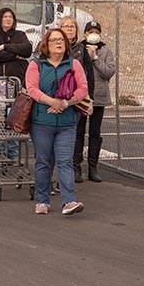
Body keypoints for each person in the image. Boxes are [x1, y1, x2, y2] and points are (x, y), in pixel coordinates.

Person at [26, 28, 89, 216]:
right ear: (46, 45)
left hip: (67, 123)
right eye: (54, 40)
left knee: (65, 161)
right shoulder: (36, 65)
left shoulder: (74, 64)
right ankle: (42, 200)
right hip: (41, 122)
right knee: (44, 161)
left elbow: (83, 89)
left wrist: (65, 103)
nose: (58, 43)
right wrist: (51, 101)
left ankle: (69, 201)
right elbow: (32, 89)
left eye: (61, 39)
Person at [0, 7, 33, 161]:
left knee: (14, 121)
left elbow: (27, 50)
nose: (8, 19)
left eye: (10, 17)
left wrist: (5, 47)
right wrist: (14, 55)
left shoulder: (20, 35)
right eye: (5, 16)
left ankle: (13, 157)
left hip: (16, 89)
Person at [75, 20, 115, 182]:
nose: (93, 35)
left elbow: (108, 72)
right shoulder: (79, 48)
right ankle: (76, 165)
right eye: (90, 31)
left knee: (95, 132)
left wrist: (96, 59)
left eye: (96, 32)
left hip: (99, 97)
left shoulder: (105, 50)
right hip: (81, 97)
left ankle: (93, 167)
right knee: (79, 131)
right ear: (85, 34)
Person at [58, 16, 93, 182]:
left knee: (78, 132)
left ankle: (76, 165)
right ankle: (60, 166)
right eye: (65, 26)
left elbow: (89, 75)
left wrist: (89, 99)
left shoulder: (81, 48)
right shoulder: (55, 46)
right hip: (57, 98)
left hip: (76, 98)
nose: (69, 29)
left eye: (72, 26)